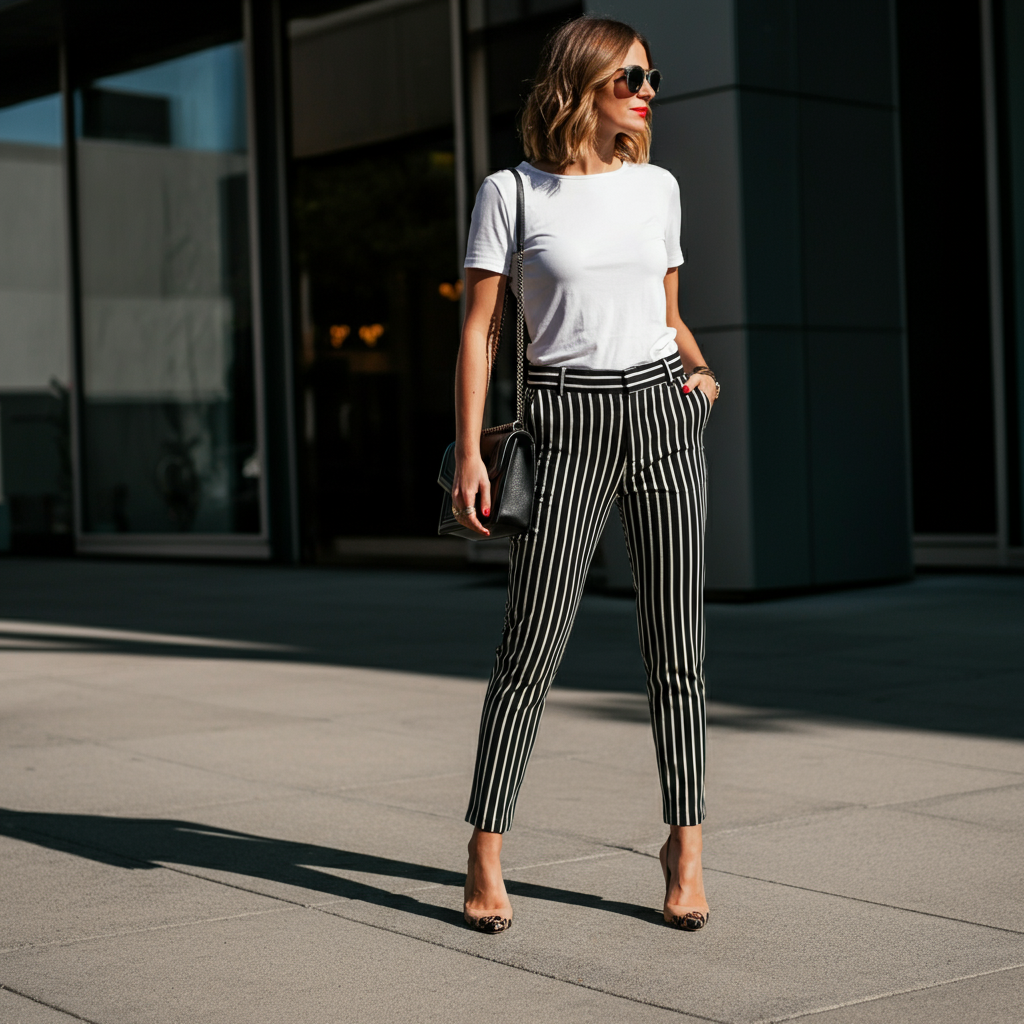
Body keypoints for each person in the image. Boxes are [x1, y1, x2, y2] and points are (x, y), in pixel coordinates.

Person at [451, 15, 718, 934]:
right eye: (631, 77)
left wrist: (699, 373)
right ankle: (486, 846)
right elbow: (481, 333)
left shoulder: (658, 189)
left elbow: (669, 313)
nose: (647, 90)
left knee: (677, 648)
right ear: (583, 82)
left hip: (660, 414)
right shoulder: (512, 192)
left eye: (651, 77)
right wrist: (474, 453)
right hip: (562, 421)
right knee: (532, 647)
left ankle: (685, 844)